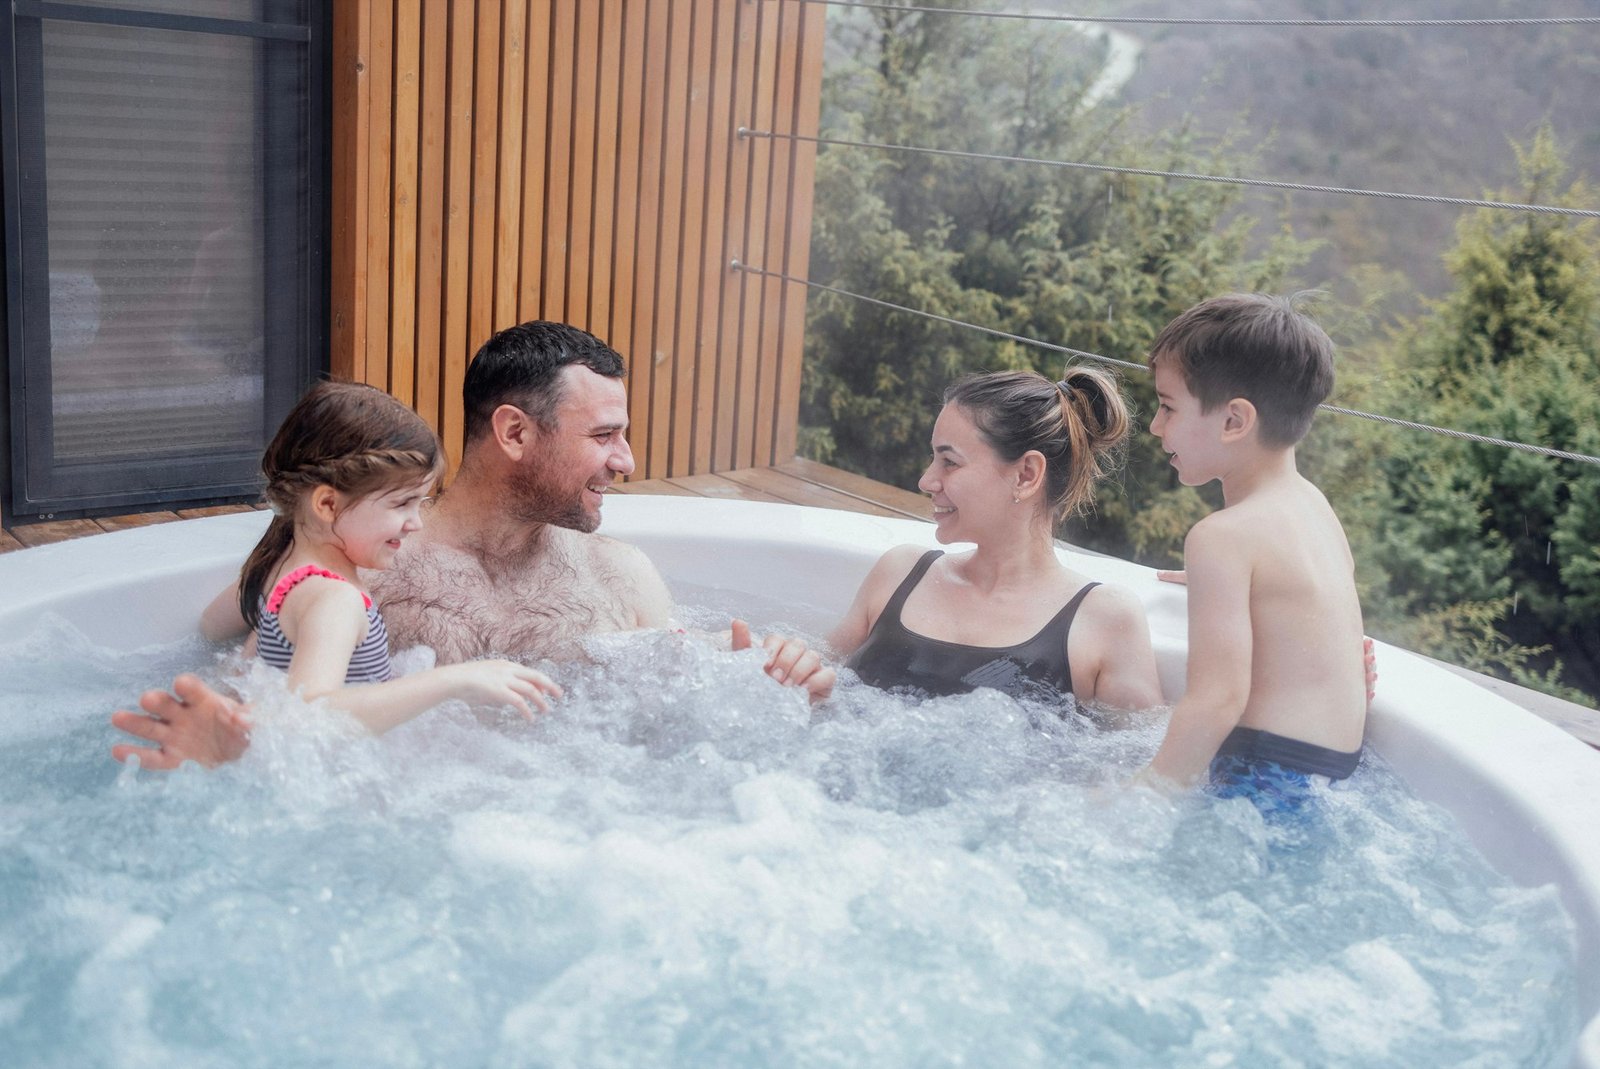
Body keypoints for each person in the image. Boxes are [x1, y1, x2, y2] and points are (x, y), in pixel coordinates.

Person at [111, 322, 831, 769]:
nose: (628, 461)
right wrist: (230, 746)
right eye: (604, 436)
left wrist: (767, 674)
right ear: (515, 432)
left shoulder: (621, 577)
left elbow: (669, 708)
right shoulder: (366, 569)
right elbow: (253, 682)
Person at [112, 381, 562, 764]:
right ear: (327, 504)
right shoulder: (335, 599)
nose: (416, 522)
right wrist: (455, 680)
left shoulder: (278, 567)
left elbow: (212, 627)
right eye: (401, 504)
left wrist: (239, 716)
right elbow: (312, 716)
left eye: (419, 503)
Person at [1138, 293, 1366, 808]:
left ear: (1234, 421)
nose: (1155, 425)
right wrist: (1223, 587)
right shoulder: (1315, 508)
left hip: (1264, 780)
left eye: (1167, 406)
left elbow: (1217, 701)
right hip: (1334, 777)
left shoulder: (1221, 537)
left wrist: (1148, 792)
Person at [829, 366, 1165, 711]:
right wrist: (800, 670)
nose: (926, 481)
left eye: (949, 462)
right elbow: (819, 676)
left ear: (1026, 475)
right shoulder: (899, 572)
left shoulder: (1105, 619)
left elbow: (1141, 760)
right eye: (934, 459)